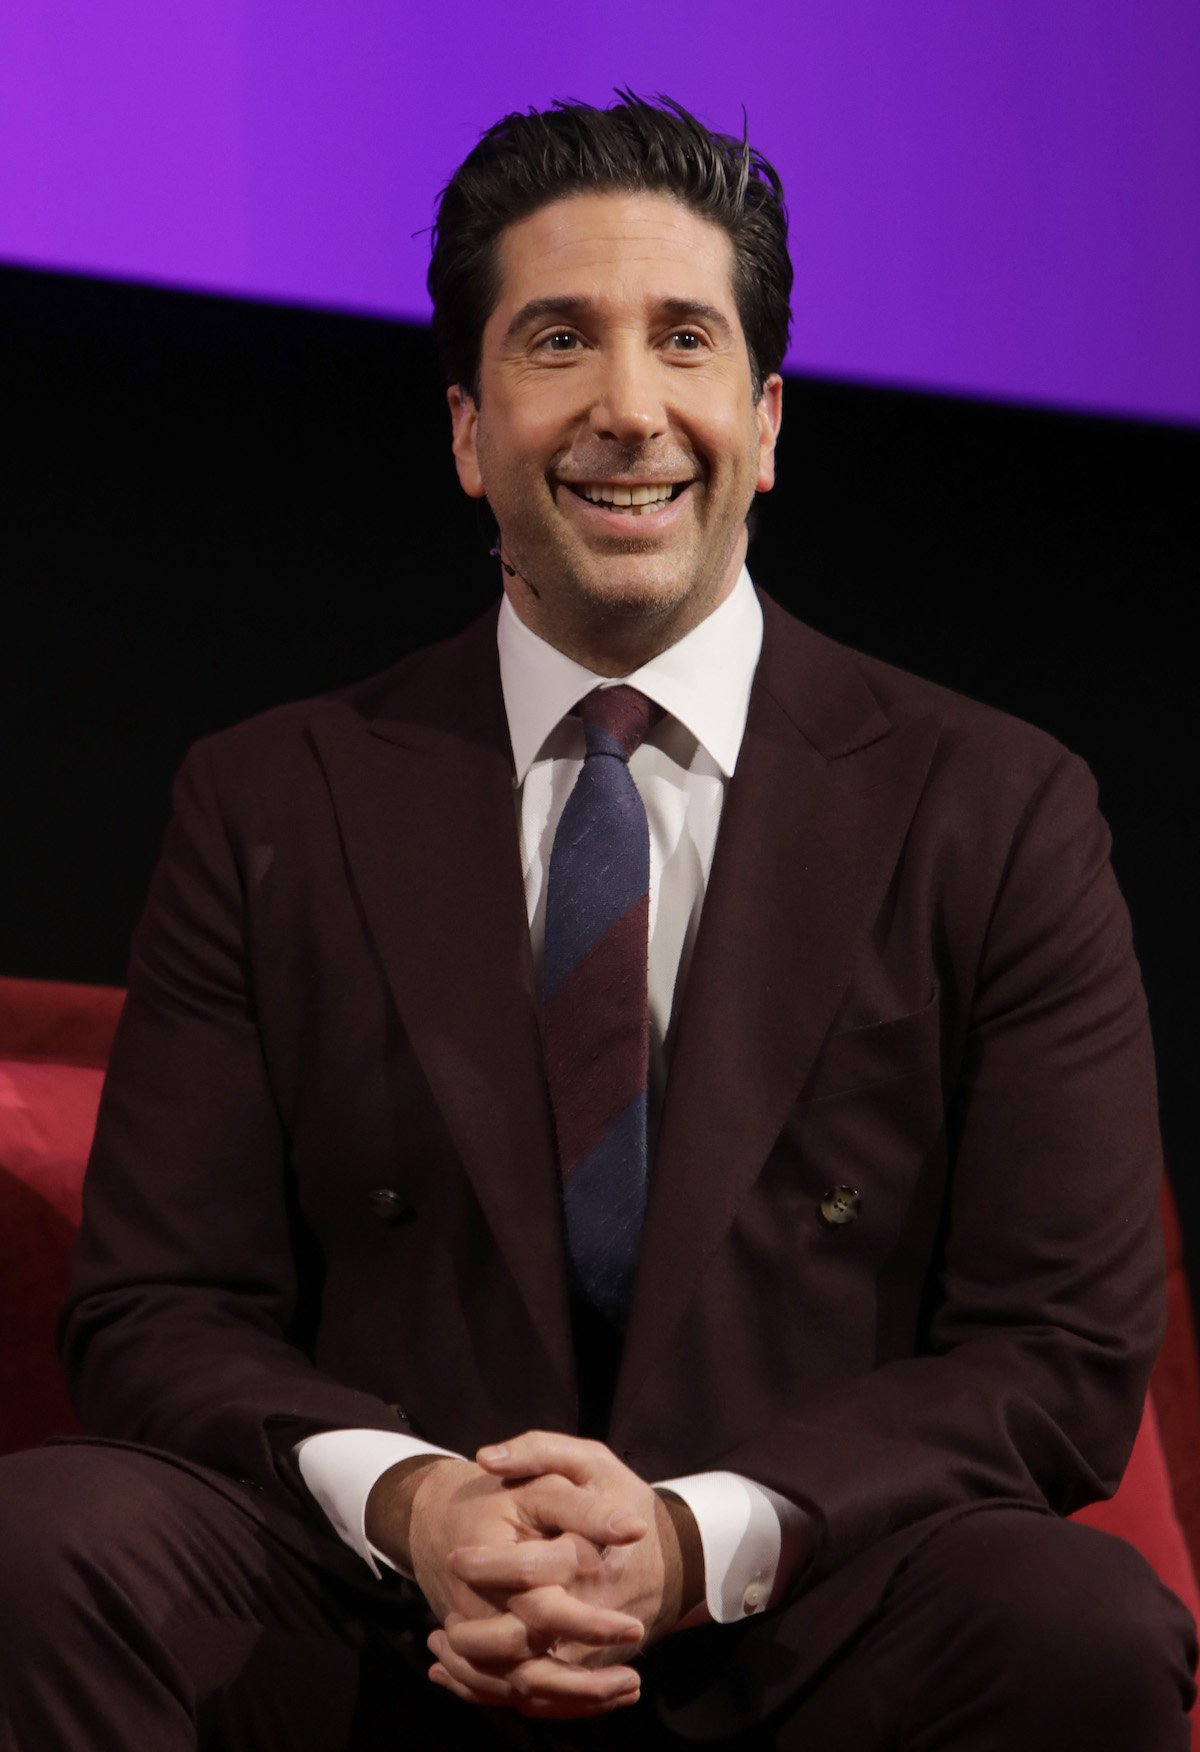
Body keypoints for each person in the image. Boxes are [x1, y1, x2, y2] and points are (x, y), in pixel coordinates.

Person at [0, 94, 1195, 1751]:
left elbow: (1059, 1352)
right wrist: (422, 1510)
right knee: (44, 1549)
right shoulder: (270, 795)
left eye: (685, 343)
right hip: (372, 1618)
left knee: (1079, 1630)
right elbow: (155, 1309)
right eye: (559, 342)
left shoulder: (999, 805)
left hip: (800, 1614)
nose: (630, 410)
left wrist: (692, 1540)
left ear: (767, 420)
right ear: (469, 431)